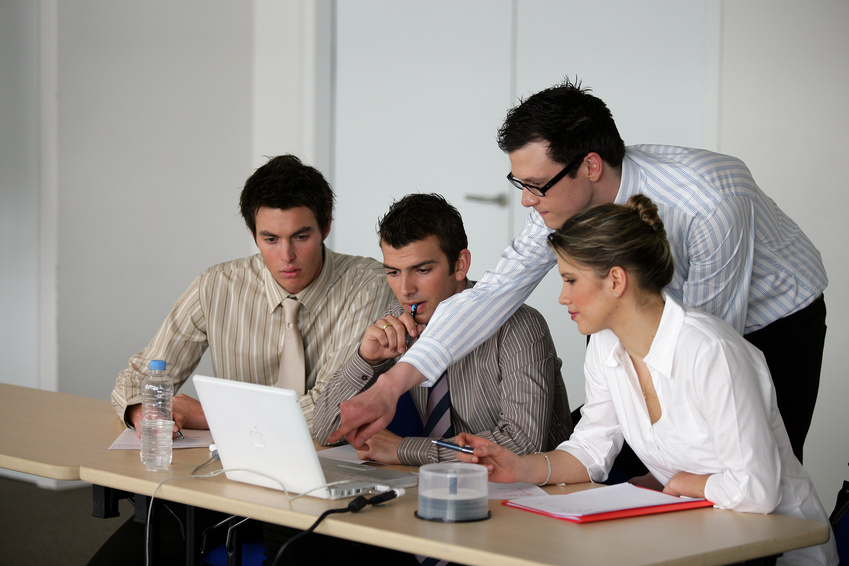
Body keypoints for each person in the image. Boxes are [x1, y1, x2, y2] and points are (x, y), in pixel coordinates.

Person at [330, 78, 828, 465]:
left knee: (744, 459)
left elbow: (704, 344)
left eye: (537, 184)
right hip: (637, 316)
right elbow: (494, 293)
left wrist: (665, 472)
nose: (526, 200)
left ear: (590, 166)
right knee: (617, 453)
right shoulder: (559, 203)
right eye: (518, 183)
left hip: (770, 319)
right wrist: (389, 386)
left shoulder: (708, 202)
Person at [456, 195, 838, 566]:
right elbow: (591, 451)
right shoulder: (606, 347)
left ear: (616, 281)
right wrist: (518, 468)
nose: (562, 296)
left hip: (776, 546)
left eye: (570, 280)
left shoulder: (710, 351)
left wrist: (683, 482)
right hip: (696, 537)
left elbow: (757, 490)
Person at [110, 154, 394, 435]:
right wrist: (144, 411)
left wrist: (215, 415)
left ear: (326, 227)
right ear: (253, 233)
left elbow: (329, 411)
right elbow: (138, 378)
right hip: (239, 460)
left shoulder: (369, 285)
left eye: (301, 237)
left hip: (336, 459)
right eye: (270, 239)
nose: (287, 256)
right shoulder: (216, 286)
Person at [312, 193, 572, 465]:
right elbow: (326, 432)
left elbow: (523, 443)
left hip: (531, 495)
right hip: (439, 489)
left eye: (422, 270)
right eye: (393, 272)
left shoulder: (519, 326)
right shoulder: (397, 322)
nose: (405, 290)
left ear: (460, 265)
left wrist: (406, 450)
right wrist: (366, 360)